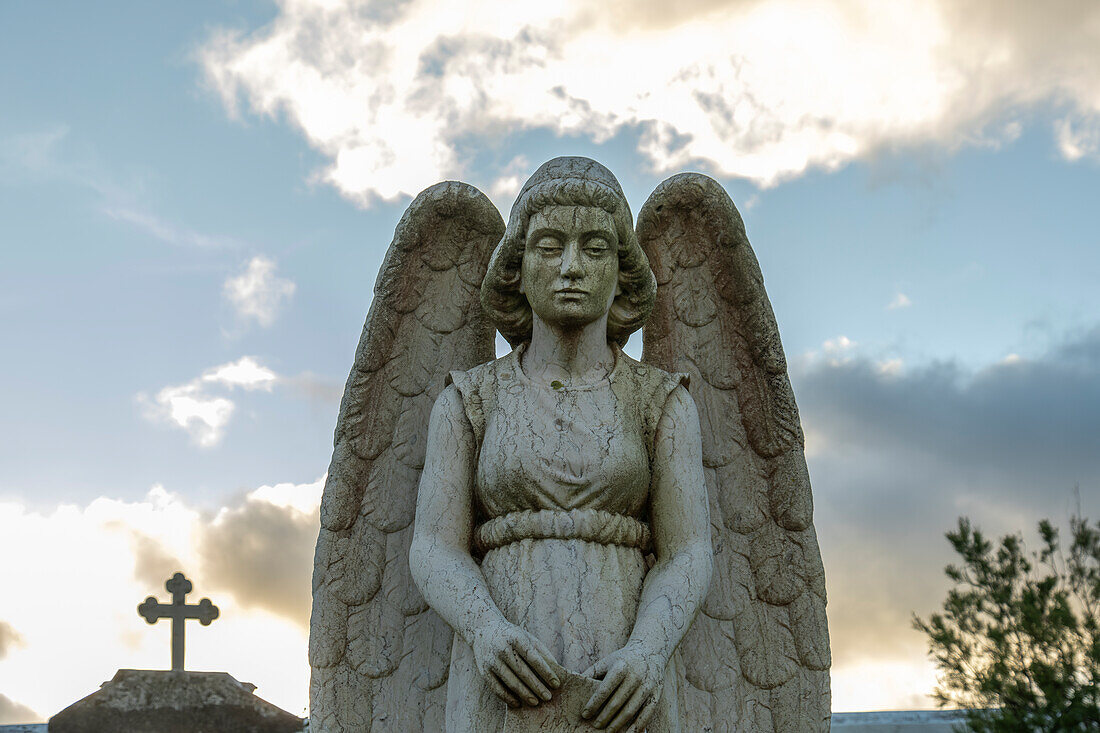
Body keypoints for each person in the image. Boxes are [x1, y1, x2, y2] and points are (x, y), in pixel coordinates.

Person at [409, 157, 713, 733]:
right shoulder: (471, 400)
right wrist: (486, 632)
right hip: (504, 670)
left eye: (595, 248)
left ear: (623, 272)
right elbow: (432, 544)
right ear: (517, 270)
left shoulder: (659, 401)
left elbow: (689, 550)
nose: (571, 266)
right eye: (549, 246)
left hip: (623, 676)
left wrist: (648, 654)